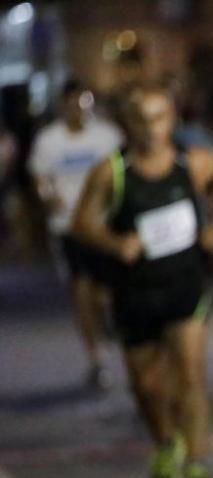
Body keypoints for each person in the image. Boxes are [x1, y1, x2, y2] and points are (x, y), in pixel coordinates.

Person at [73, 85, 213, 478]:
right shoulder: (113, 172)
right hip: (135, 293)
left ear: (172, 119)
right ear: (127, 124)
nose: (152, 128)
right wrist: (115, 243)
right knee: (146, 386)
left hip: (187, 286)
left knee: (190, 376)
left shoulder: (192, 162)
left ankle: (198, 463)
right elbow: (81, 223)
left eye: (160, 117)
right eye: (142, 119)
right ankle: (166, 445)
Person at [28, 80, 123, 388]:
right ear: (63, 105)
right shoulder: (49, 140)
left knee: (104, 291)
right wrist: (48, 196)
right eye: (72, 104)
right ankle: (96, 357)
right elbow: (40, 178)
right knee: (81, 289)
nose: (79, 110)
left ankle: (107, 323)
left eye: (85, 103)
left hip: (104, 224)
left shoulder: (107, 136)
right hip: (69, 226)